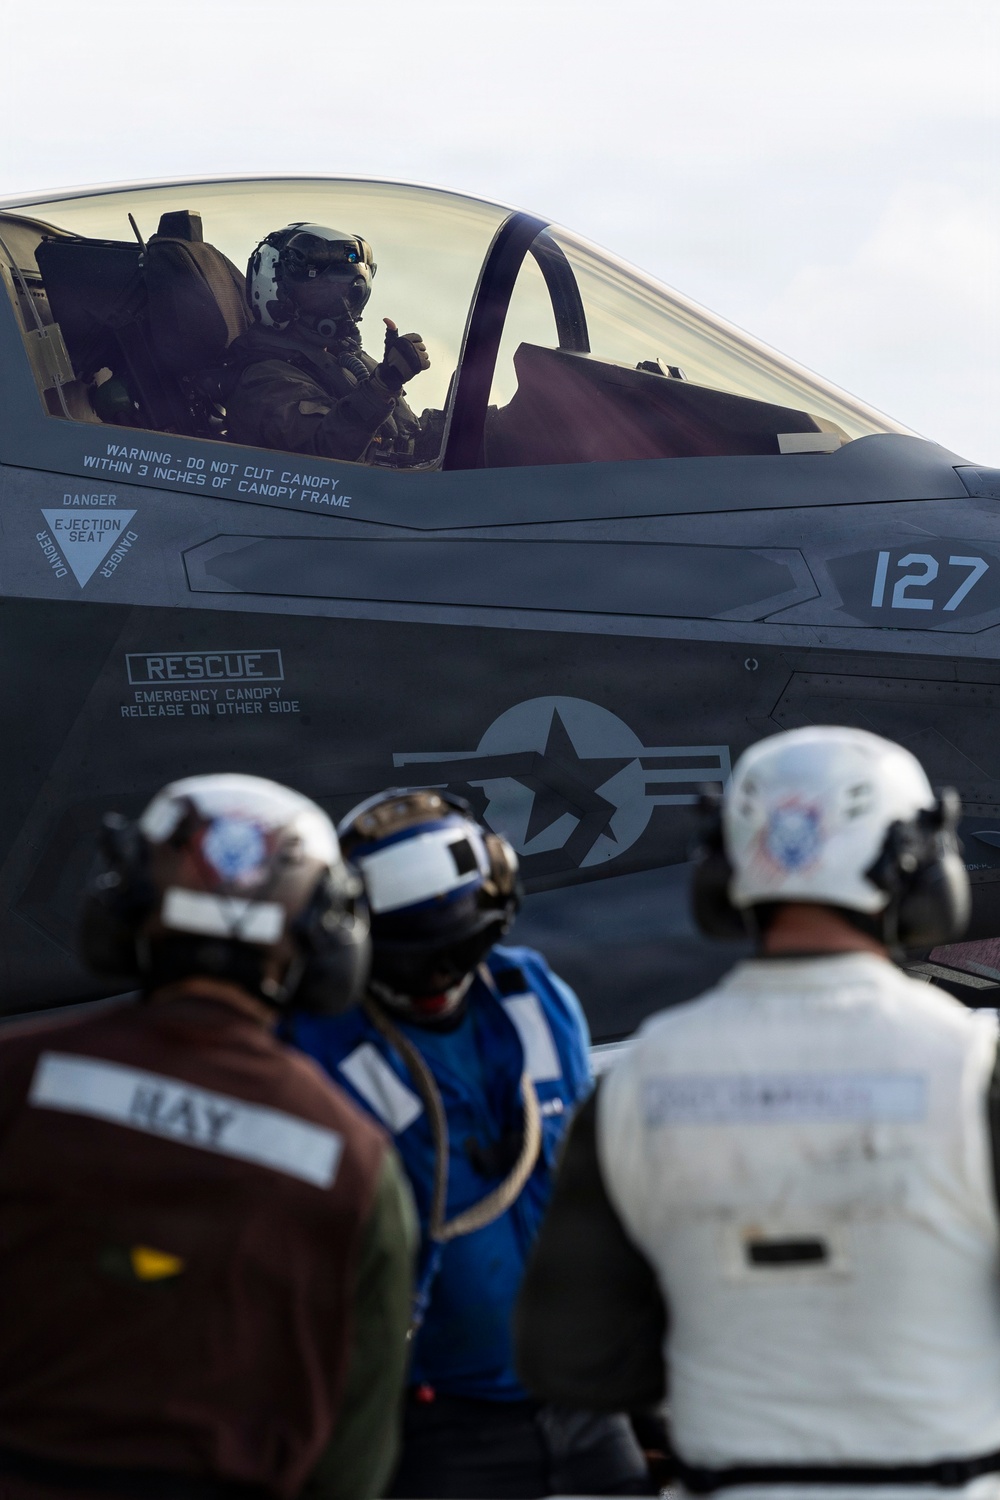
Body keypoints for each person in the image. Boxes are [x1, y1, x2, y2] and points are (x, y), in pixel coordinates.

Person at [515, 724, 999, 1500]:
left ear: (723, 870)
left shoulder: (638, 1081)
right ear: (920, 873)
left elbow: (573, 1357)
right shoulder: (974, 1067)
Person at [0, 773, 416, 1500]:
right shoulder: (351, 1161)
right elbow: (352, 1456)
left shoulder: (19, 1079)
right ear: (322, 935)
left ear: (129, 898)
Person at [286, 787, 651, 1498]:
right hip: (437, 1423)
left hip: (584, 1406)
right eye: (409, 962)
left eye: (454, 954)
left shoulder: (539, 1002)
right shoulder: (319, 1048)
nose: (436, 984)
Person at [222, 223, 434, 464]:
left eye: (351, 294)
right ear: (276, 291)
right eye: (325, 296)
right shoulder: (263, 380)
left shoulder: (337, 355)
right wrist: (383, 385)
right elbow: (323, 453)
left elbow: (411, 438)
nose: (343, 308)